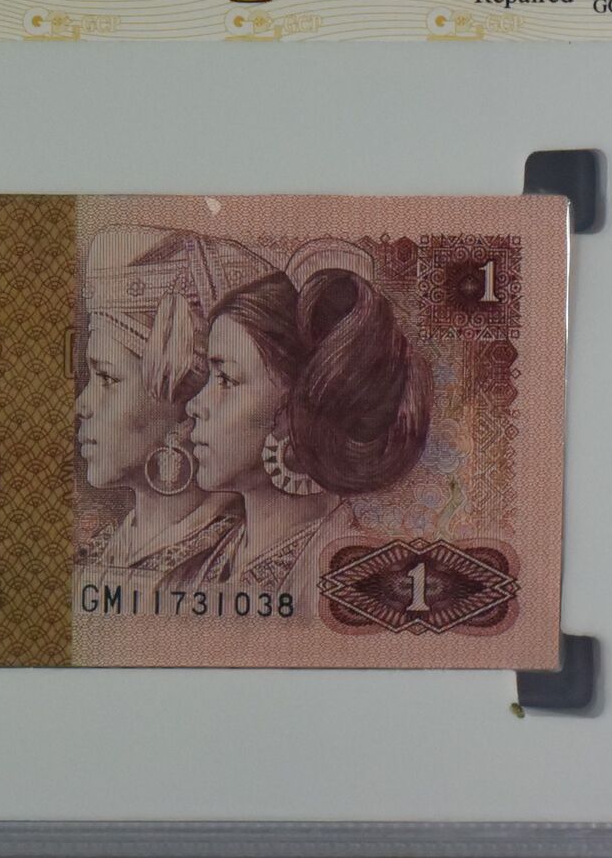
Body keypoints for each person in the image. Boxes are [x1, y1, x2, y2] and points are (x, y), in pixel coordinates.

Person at [180, 238, 433, 610]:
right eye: (208, 378)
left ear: (299, 408)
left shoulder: (361, 588)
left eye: (227, 380)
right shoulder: (191, 572)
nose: (194, 406)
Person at [75, 225, 273, 580]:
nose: (81, 405)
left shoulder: (237, 565)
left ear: (187, 401)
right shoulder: (98, 552)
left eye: (107, 378)